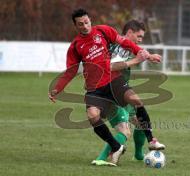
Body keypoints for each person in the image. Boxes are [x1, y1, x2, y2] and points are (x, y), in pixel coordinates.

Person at [48, 8, 159, 165]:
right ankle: (113, 151)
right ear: (76, 26)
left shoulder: (104, 32)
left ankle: (142, 150)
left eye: (86, 22)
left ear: (90, 21)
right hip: (98, 88)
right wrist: (57, 88)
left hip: (116, 84)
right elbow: (71, 71)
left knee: (137, 119)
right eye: (81, 24)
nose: (85, 26)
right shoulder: (76, 46)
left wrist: (147, 55)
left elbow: (126, 45)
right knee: (107, 122)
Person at [91, 20, 165, 166]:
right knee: (125, 131)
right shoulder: (117, 47)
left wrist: (149, 56)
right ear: (129, 32)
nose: (140, 40)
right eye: (139, 36)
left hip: (122, 92)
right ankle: (101, 158)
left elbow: (137, 50)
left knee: (139, 122)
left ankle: (138, 155)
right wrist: (137, 60)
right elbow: (111, 67)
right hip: (109, 93)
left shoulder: (126, 46)